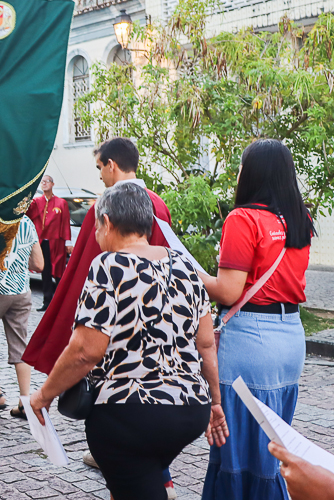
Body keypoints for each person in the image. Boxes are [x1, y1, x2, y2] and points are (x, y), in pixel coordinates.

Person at [31, 182, 225, 500]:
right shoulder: (186, 267)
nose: (95, 235)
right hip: (191, 409)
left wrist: (43, 395)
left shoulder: (109, 266)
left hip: (128, 412)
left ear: (107, 223)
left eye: (95, 227)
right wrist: (215, 402)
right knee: (141, 482)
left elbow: (85, 351)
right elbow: (205, 344)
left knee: (135, 482)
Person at [23, 137, 177, 489]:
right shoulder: (158, 204)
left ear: (111, 165)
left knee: (117, 405)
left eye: (99, 169)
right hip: (155, 323)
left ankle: (150, 477)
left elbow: (83, 273)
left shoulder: (105, 208)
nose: (100, 177)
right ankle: (150, 474)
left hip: (113, 325)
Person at [198, 139, 314, 500]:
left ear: (251, 173)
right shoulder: (300, 218)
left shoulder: (242, 219)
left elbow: (228, 291)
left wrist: (189, 270)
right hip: (290, 339)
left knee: (236, 452)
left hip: (251, 341)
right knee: (269, 450)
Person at [0, 213, 42, 417]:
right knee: (20, 345)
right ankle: (25, 402)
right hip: (21, 290)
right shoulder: (27, 222)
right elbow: (39, 264)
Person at [26, 173, 69, 311]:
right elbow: (27, 214)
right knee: (45, 272)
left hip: (56, 242)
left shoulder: (61, 203)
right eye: (42, 182)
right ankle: (47, 301)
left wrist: (68, 241)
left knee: (59, 272)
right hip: (41, 242)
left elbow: (65, 223)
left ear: (52, 184)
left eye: (47, 181)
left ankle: (63, 301)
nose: (44, 183)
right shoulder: (36, 202)